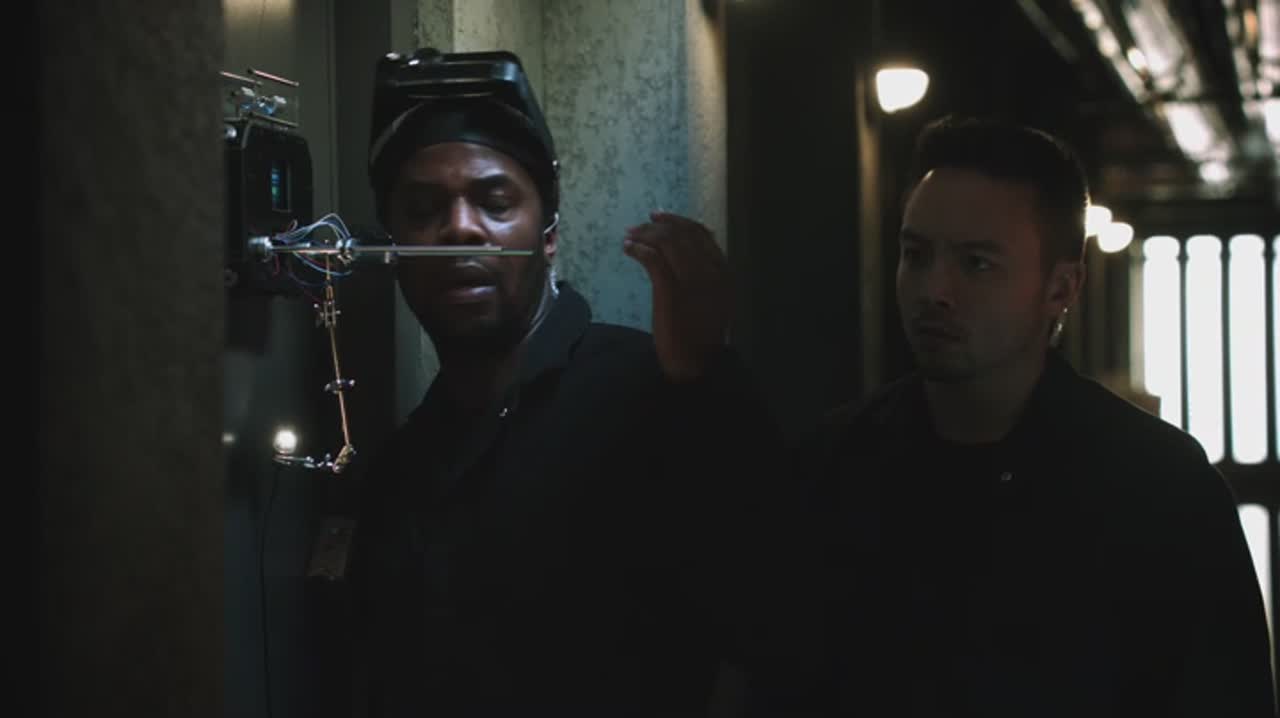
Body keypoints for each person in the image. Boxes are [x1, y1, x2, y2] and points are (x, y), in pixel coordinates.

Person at [349, 48, 820, 717]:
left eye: (494, 202)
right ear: (395, 247)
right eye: (424, 209)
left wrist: (708, 376)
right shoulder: (406, 465)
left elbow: (778, 613)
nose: (459, 228)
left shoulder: (648, 392)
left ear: (548, 236)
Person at [807, 116, 1276, 716]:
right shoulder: (835, 465)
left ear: (1062, 288)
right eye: (916, 255)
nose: (933, 290)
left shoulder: (1161, 490)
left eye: (976, 263)